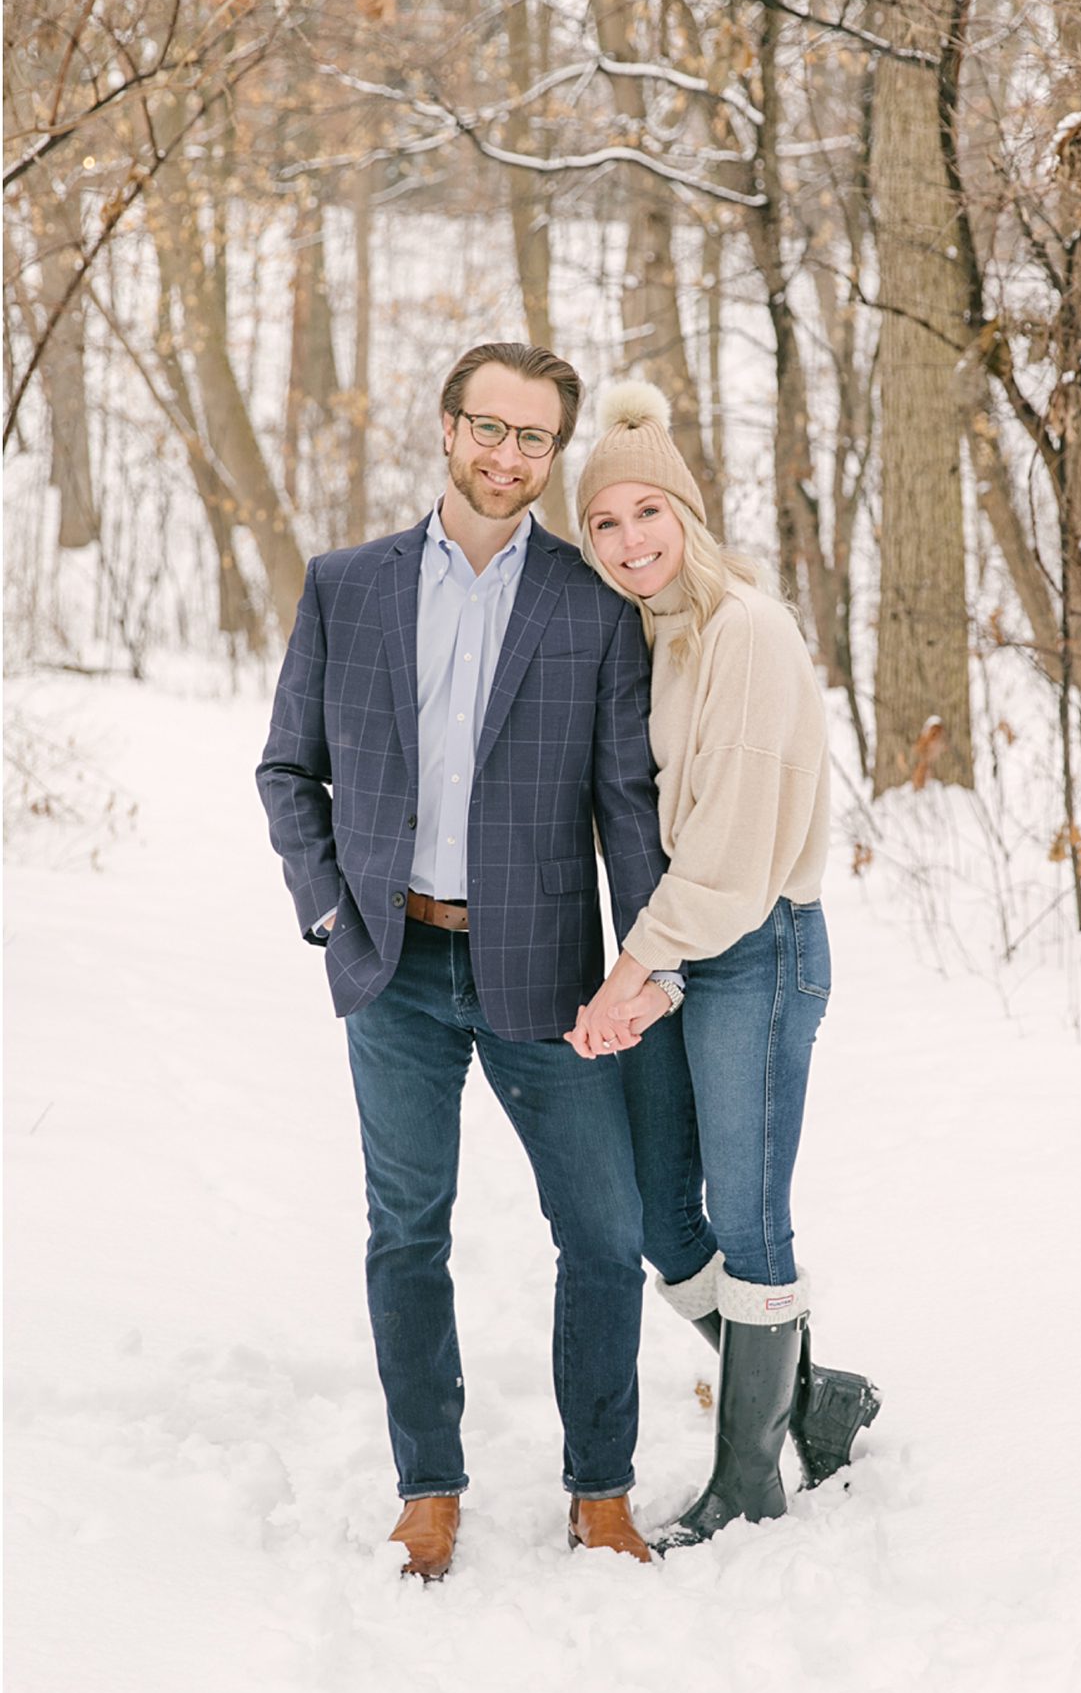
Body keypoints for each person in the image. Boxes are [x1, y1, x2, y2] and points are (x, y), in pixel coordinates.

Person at [257, 343, 681, 1577]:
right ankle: (427, 1487)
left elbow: (628, 807)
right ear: (446, 428)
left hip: (546, 972)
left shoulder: (595, 608)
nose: (507, 456)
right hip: (394, 965)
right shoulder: (348, 586)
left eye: (534, 439)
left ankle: (601, 1489)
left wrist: (644, 961)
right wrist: (334, 910)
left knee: (603, 1233)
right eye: (487, 428)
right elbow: (290, 770)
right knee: (407, 1231)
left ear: (555, 454)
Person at [566, 379, 880, 1548]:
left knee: (748, 1213)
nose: (629, 539)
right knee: (663, 1209)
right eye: (603, 522)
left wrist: (632, 970)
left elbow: (737, 847)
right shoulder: (658, 634)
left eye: (649, 511)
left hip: (761, 946)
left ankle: (751, 1475)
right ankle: (816, 1396)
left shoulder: (747, 628)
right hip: (696, 942)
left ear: (689, 514)